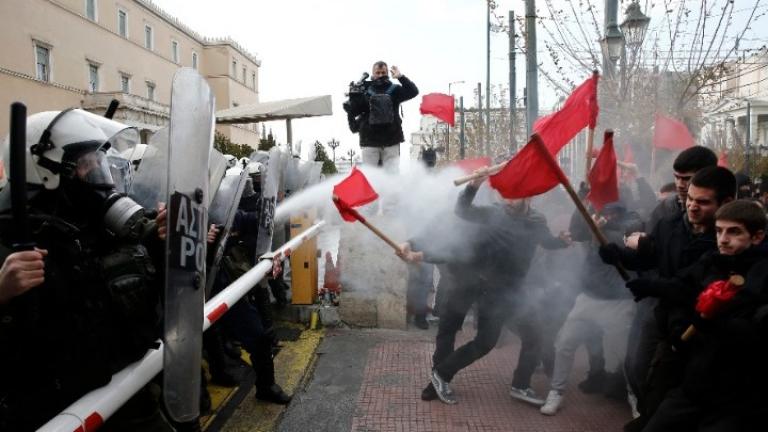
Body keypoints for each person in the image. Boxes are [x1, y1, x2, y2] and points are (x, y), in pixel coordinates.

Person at [0, 109, 171, 431]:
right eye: (84, 164)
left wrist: (160, 237)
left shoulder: (96, 224)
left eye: (99, 162)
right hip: (61, 413)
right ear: (44, 172)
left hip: (130, 393)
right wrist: (2, 293)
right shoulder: (11, 240)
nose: (97, 174)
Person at [400, 174, 570, 405]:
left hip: (513, 290)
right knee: (469, 337)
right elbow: (460, 213)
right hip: (484, 287)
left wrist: (562, 241)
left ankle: (518, 385)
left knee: (531, 336)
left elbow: (547, 241)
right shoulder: (494, 213)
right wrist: (473, 186)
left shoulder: (537, 220)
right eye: (505, 192)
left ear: (528, 195)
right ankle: (440, 376)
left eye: (514, 192)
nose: (507, 198)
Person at [600, 166, 736, 432]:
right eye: (690, 199)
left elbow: (695, 283)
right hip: (663, 315)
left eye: (703, 202)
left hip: (696, 327)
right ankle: (650, 415)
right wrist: (617, 254)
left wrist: (654, 286)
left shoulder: (726, 240)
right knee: (638, 370)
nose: (693, 207)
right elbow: (650, 257)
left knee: (669, 385)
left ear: (726, 202)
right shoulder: (671, 223)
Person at [633, 200, 768, 431]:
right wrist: (652, 288)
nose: (723, 239)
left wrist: (713, 322)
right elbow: (681, 288)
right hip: (693, 383)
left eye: (734, 232)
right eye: (719, 231)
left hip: (737, 397)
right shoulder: (711, 262)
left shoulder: (763, 276)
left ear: (757, 237)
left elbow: (755, 336)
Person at [539, 201, 641, 415]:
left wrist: (602, 227)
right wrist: (585, 201)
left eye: (612, 214)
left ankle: (634, 395)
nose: (606, 216)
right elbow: (577, 231)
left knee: (623, 357)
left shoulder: (630, 229)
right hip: (589, 299)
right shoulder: (593, 229)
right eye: (604, 213)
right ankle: (556, 391)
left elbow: (631, 227)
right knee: (564, 343)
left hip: (619, 303)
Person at [345, 61, 418, 171]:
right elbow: (353, 110)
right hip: (370, 141)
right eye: (377, 72)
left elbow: (413, 91)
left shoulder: (395, 89)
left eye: (383, 72)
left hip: (391, 140)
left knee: (391, 177)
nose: (380, 75)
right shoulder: (363, 90)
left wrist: (400, 77)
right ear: (373, 74)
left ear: (387, 73)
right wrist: (353, 96)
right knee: (370, 177)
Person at [647, 146, 718, 231]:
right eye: (677, 177)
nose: (680, 185)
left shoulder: (723, 215)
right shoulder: (665, 208)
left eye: (687, 178)